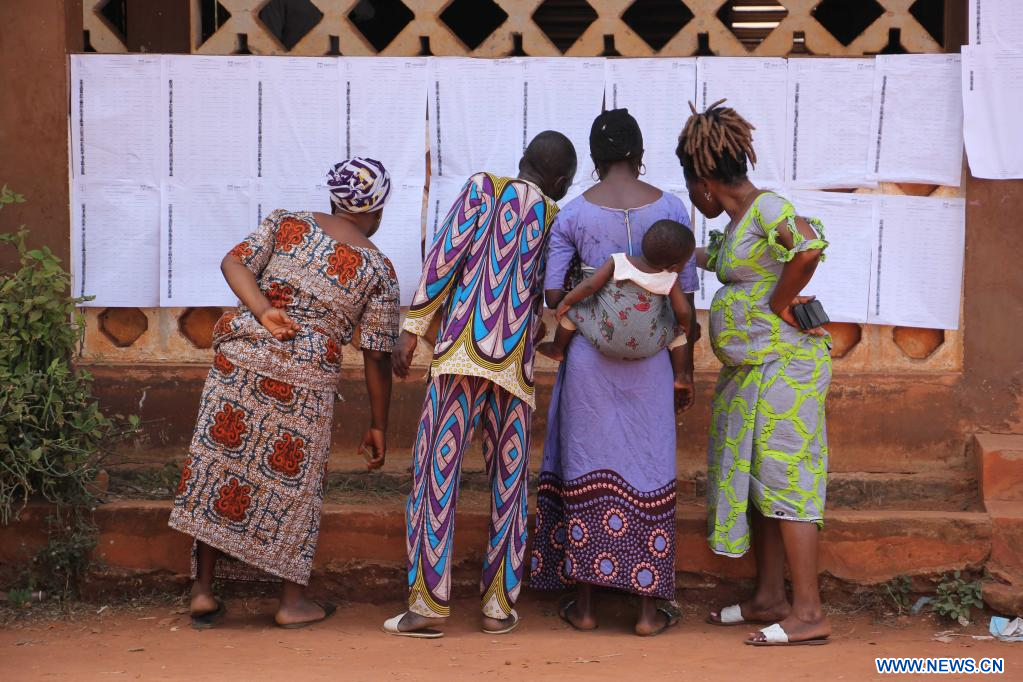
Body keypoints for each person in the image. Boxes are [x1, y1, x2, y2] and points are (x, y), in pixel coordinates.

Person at [168, 158, 400, 629]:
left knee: (222, 466)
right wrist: (378, 424)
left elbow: (233, 262)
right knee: (297, 487)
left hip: (242, 357)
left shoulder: (286, 222)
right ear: (376, 209)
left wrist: (263, 311)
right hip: (306, 377)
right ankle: (291, 602)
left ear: (336, 198)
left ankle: (203, 591)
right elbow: (376, 355)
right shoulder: (379, 268)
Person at [383, 131, 577, 638]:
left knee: (435, 480)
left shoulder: (483, 189)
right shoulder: (557, 218)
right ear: (560, 181)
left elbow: (444, 259)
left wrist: (413, 327)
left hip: (459, 359)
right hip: (514, 371)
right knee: (509, 487)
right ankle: (496, 606)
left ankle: (427, 607)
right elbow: (552, 302)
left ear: (522, 161)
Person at [530, 109, 698, 637]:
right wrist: (684, 372)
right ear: (639, 152)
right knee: (649, 469)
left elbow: (555, 295)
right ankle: (648, 612)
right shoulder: (672, 208)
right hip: (652, 364)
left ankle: (583, 607)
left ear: (596, 158)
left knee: (586, 467)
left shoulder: (574, 214)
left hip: (588, 362)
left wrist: (598, 287)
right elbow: (687, 299)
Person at [677, 100, 832, 646]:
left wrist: (780, 303)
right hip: (752, 371)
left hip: (786, 367)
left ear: (703, 182)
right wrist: (669, 251)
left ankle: (810, 613)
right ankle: (770, 597)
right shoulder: (741, 220)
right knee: (758, 483)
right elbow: (721, 260)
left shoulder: (768, 209)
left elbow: (807, 247)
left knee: (787, 478)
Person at [536, 217, 694, 365]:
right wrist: (683, 325)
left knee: (573, 313)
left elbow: (589, 286)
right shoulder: (671, 279)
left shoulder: (619, 261)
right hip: (650, 345)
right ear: (674, 267)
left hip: (604, 338)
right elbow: (684, 310)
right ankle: (680, 376)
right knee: (678, 337)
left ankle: (557, 349)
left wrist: (567, 301)